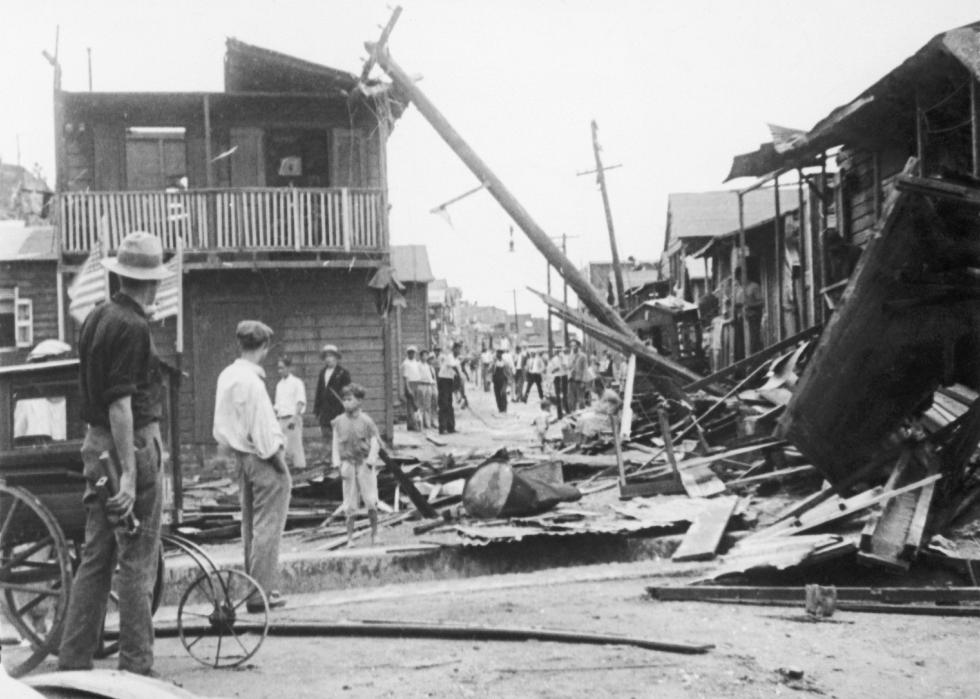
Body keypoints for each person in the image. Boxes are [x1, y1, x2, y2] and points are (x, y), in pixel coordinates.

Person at [59, 231, 172, 676]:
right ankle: (136, 670)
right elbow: (121, 404)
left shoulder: (96, 317)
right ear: (153, 282)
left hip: (95, 447)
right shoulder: (134, 327)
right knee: (137, 560)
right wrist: (129, 474)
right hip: (132, 449)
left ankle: (72, 664)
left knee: (96, 557)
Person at [213, 320, 290, 612]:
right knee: (268, 527)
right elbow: (265, 431)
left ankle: (254, 587)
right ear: (264, 347)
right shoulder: (254, 383)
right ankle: (261, 592)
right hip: (262, 456)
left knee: (251, 526)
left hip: (240, 456)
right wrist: (279, 463)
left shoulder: (226, 376)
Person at [331, 383, 383, 547]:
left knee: (370, 499)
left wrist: (371, 461)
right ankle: (350, 539)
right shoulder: (338, 422)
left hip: (364, 464)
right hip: (348, 464)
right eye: (344, 400)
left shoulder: (366, 421)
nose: (346, 403)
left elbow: (375, 441)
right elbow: (335, 443)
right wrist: (337, 463)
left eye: (350, 399)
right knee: (349, 503)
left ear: (359, 401)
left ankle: (375, 535)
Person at [313, 344, 351, 460]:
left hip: (338, 410)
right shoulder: (322, 372)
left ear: (336, 357)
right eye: (326, 356)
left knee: (339, 436)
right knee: (326, 435)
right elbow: (319, 391)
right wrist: (317, 409)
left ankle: (340, 459)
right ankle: (329, 460)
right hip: (325, 411)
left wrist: (345, 409)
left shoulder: (343, 373)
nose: (328, 359)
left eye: (330, 356)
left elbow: (347, 393)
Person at [274, 356, 307, 471]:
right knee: (281, 447)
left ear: (289, 368)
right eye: (278, 368)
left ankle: (300, 469)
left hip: (292, 418)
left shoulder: (297, 382)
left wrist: (294, 418)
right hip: (281, 419)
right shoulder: (279, 385)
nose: (280, 371)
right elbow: (277, 405)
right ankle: (285, 471)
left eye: (282, 368)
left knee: (295, 447)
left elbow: (300, 401)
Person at [733, 267, 764, 358]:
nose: (739, 280)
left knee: (753, 343)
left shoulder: (754, 286)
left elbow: (761, 302)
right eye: (737, 278)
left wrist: (750, 305)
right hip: (740, 321)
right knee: (741, 345)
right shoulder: (738, 289)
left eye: (740, 277)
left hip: (752, 319)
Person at [437, 342, 467, 434]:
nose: (458, 351)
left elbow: (460, 373)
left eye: (459, 349)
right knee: (444, 404)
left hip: (450, 381)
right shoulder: (449, 357)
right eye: (457, 349)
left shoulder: (457, 360)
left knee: (450, 405)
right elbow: (455, 368)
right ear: (453, 349)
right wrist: (459, 374)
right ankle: (442, 428)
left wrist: (463, 394)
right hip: (443, 380)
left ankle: (450, 427)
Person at [401, 345, 423, 431]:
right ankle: (413, 425)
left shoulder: (416, 362)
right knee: (410, 405)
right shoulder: (406, 363)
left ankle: (412, 424)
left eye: (413, 353)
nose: (412, 354)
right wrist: (408, 388)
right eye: (410, 353)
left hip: (416, 383)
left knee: (416, 405)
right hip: (410, 384)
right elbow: (405, 377)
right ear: (408, 353)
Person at [567, 339, 589, 410]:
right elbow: (568, 367)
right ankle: (572, 414)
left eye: (575, 345)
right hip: (571, 380)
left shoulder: (583, 356)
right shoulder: (570, 356)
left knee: (581, 400)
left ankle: (582, 416)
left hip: (579, 380)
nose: (573, 347)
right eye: (571, 345)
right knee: (571, 399)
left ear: (578, 346)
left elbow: (585, 369)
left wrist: (583, 381)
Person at [418, 349, 437, 429]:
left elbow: (430, 377)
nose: (425, 357)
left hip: (428, 385)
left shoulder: (427, 366)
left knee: (428, 405)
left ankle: (428, 423)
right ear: (421, 356)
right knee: (420, 405)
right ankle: (420, 423)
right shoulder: (418, 365)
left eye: (426, 355)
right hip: (421, 385)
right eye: (424, 355)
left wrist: (432, 383)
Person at [547, 348, 568, 419]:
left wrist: (563, 362)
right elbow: (550, 370)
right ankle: (560, 414)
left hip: (564, 377)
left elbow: (567, 367)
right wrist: (555, 370)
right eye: (557, 351)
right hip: (557, 378)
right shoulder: (553, 360)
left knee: (565, 396)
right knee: (558, 396)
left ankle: (567, 412)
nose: (559, 353)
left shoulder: (565, 358)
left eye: (560, 351)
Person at [491, 349, 512, 413]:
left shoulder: (505, 362)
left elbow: (508, 372)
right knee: (497, 395)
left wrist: (509, 380)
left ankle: (504, 408)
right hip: (496, 380)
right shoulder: (494, 362)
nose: (498, 355)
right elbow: (490, 370)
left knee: (503, 394)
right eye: (498, 354)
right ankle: (500, 408)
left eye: (500, 354)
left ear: (501, 355)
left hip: (503, 380)